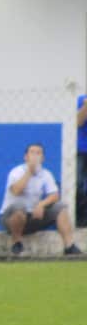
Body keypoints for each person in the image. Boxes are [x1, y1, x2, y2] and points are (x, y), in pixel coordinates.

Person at [0, 143, 81, 256]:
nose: (35, 156)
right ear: (26, 157)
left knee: (60, 207)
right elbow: (16, 191)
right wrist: (29, 172)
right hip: (12, 218)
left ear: (42, 158)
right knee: (19, 207)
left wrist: (41, 204)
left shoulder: (46, 174)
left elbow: (54, 195)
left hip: (34, 215)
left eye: (38, 153)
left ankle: (69, 246)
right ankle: (16, 243)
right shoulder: (16, 172)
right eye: (32, 153)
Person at [76, 94, 86, 227]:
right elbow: (78, 122)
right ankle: (81, 218)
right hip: (82, 150)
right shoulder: (82, 99)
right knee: (78, 183)